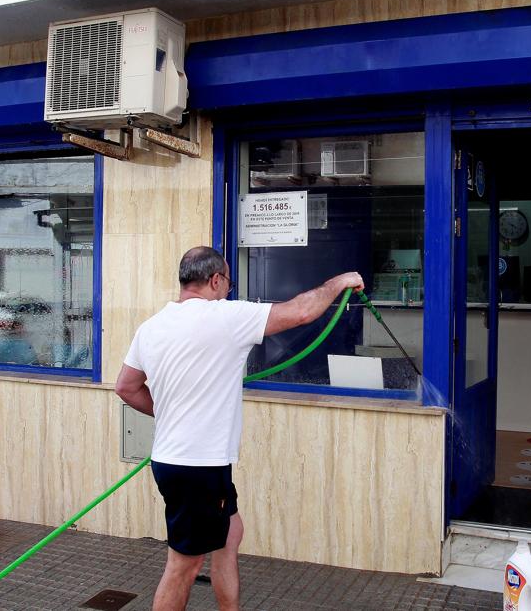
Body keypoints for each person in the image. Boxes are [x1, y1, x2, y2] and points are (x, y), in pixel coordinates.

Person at [115, 246, 363, 611]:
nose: (228, 291)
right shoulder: (225, 317)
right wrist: (341, 281)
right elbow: (301, 312)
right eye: (227, 284)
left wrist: (170, 413)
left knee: (230, 533)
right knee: (184, 564)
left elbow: (126, 387)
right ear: (215, 280)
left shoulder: (151, 327)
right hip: (197, 465)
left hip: (186, 462)